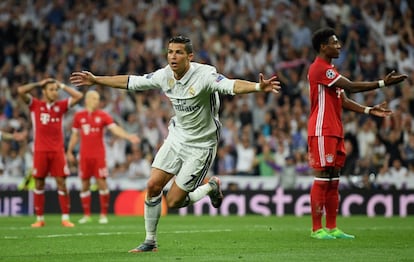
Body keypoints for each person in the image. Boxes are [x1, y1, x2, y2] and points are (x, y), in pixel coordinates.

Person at [70, 35, 281, 252]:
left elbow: (230, 85)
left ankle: (210, 187)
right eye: (170, 52)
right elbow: (132, 82)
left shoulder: (205, 75)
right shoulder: (164, 75)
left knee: (173, 202)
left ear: (190, 56)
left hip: (201, 144)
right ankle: (150, 242)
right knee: (152, 186)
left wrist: (257, 87)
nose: (173, 56)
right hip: (177, 137)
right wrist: (96, 80)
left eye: (178, 52)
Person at [307, 27, 407, 240]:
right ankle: (317, 229)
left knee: (334, 179)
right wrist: (382, 83)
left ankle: (332, 227)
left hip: (335, 129)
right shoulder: (319, 68)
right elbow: (351, 86)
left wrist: (369, 110)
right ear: (323, 46)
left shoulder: (330, 70)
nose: (339, 46)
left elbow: (342, 100)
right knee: (323, 177)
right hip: (321, 129)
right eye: (334, 43)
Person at [66, 90, 140, 224]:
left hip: (98, 155)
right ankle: (87, 215)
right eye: (94, 98)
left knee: (102, 183)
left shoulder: (103, 115)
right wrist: (69, 150)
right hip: (84, 156)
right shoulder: (79, 116)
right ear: (87, 100)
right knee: (84, 184)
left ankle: (103, 215)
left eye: (98, 99)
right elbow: (75, 135)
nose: (97, 101)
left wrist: (128, 136)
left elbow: (114, 128)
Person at [17, 78, 83, 227]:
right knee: (39, 183)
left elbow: (78, 97)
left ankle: (65, 218)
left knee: (62, 183)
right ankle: (39, 219)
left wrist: (62, 86)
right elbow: (20, 91)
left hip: (57, 151)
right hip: (40, 151)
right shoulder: (35, 105)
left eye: (56, 90)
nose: (55, 92)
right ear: (44, 91)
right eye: (51, 89)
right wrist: (37, 83)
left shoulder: (60, 106)